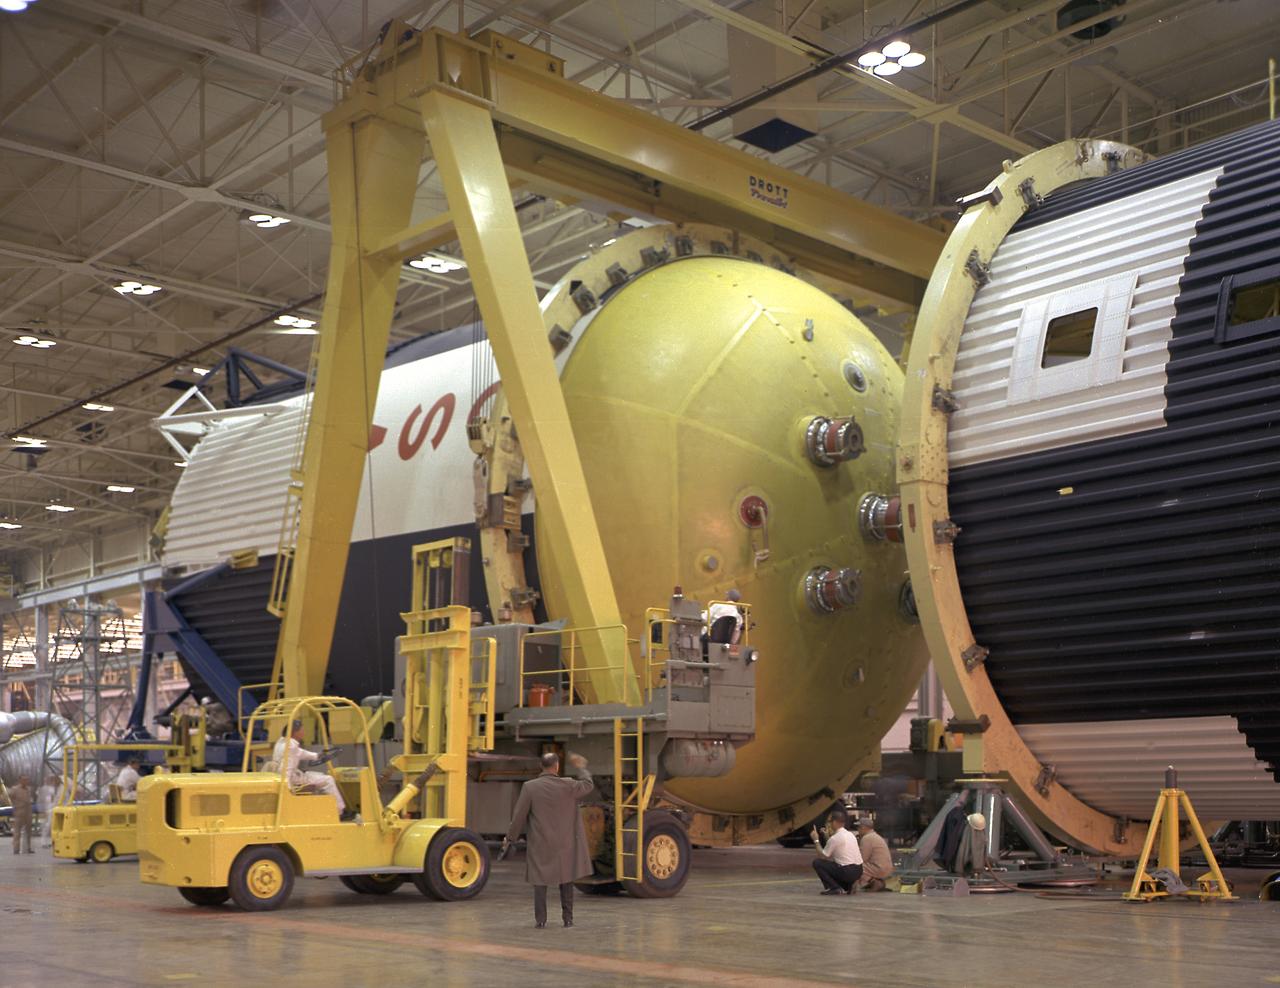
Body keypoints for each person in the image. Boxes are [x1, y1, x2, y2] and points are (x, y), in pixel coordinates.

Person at [502, 751, 594, 928]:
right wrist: (582, 768)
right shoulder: (568, 785)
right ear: (557, 766)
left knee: (540, 881)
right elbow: (588, 785)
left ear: (540, 766)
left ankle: (541, 920)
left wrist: (510, 838)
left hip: (540, 843)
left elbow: (519, 816)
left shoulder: (530, 787)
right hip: (566, 843)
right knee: (566, 879)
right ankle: (568, 919)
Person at [272, 720, 351, 820]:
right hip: (290, 780)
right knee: (328, 780)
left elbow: (301, 753)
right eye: (302, 730)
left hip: (284, 777)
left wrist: (317, 755)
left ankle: (327, 808)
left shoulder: (282, 742)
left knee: (315, 775)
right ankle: (339, 812)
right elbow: (287, 769)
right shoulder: (291, 746)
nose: (304, 732)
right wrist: (288, 790)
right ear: (295, 732)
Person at [810, 807, 862, 895]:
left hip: (847, 871)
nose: (828, 824)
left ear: (834, 822)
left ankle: (834, 887)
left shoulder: (835, 838)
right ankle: (848, 885)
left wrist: (816, 840)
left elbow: (823, 855)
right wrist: (826, 836)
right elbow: (834, 847)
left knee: (818, 863)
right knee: (836, 865)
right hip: (858, 870)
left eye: (829, 822)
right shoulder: (850, 834)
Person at [855, 816, 894, 891]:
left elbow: (862, 858)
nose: (858, 829)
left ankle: (874, 882)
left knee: (855, 867)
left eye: (859, 827)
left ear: (863, 827)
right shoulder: (875, 836)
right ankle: (875, 882)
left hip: (879, 869)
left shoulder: (867, 838)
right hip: (886, 868)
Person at [9, 775, 35, 855]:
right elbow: (10, 797)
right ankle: (16, 849)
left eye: (26, 780)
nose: (25, 781)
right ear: (20, 780)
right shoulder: (15, 789)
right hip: (19, 812)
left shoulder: (29, 789)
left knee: (29, 832)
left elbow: (31, 799)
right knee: (17, 832)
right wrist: (15, 805)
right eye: (24, 780)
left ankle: (29, 848)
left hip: (28, 812)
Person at [37, 775, 58, 847]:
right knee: (47, 826)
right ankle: (43, 841)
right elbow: (43, 800)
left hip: (54, 808)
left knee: (53, 826)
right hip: (48, 809)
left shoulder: (55, 788)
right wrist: (43, 810)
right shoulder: (44, 789)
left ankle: (52, 841)